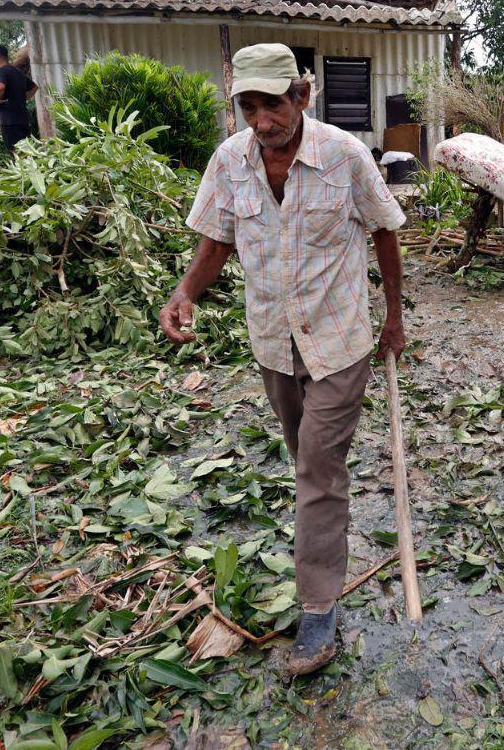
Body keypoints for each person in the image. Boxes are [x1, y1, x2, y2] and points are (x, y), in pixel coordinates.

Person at [159, 43, 407, 678]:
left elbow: (384, 230)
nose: (261, 120)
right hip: (273, 340)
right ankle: (324, 532)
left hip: (339, 340)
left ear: (300, 97)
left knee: (319, 470)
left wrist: (395, 318)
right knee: (306, 462)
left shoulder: (345, 158)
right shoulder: (229, 164)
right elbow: (217, 240)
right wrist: (185, 293)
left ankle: (319, 610)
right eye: (248, 105)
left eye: (272, 104)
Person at [0, 44, 36, 149]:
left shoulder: (2, 70)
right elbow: (34, 87)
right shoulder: (17, 72)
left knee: (16, 151)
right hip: (23, 119)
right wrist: (23, 98)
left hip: (10, 121)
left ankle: (23, 166)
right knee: (26, 150)